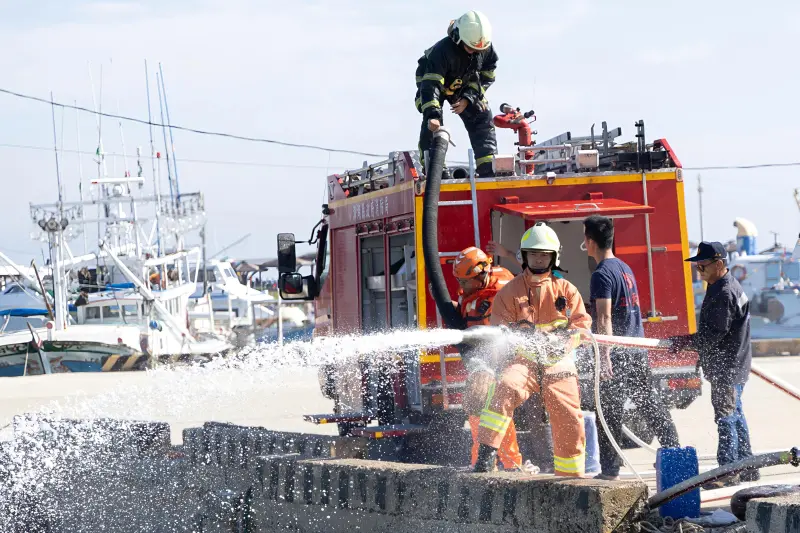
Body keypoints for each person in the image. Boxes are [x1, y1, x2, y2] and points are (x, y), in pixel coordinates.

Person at [475, 222, 591, 476]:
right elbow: (499, 330)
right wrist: (513, 337)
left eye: (544, 254)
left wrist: (565, 340)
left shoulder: (567, 290)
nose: (539, 259)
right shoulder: (509, 292)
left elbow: (582, 327)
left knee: (569, 415)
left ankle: (571, 476)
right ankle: (486, 455)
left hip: (558, 361)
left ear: (554, 257)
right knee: (504, 387)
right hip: (524, 360)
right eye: (534, 254)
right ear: (524, 256)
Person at [583, 215, 680, 480]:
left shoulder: (601, 275)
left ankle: (610, 470)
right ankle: (675, 452)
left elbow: (604, 318)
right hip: (636, 350)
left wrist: (605, 356)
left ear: (590, 242)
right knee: (650, 404)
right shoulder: (624, 268)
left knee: (607, 412)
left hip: (618, 353)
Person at [670, 241, 758, 489]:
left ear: (719, 264)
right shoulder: (722, 285)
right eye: (697, 267)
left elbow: (713, 335)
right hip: (735, 363)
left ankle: (728, 470)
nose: (700, 272)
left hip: (727, 367)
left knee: (725, 417)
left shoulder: (723, 293)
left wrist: (685, 343)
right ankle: (748, 466)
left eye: (702, 267)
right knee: (736, 414)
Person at [451, 246, 522, 471]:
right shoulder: (472, 293)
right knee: (476, 406)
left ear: (480, 274)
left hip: (500, 357)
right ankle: (484, 463)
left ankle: (507, 464)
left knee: (492, 408)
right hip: (479, 357)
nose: (461, 287)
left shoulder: (502, 287)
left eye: (464, 282)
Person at [415, 10, 498, 177]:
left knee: (482, 113)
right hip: (431, 82)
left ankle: (487, 165)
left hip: (464, 82)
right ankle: (435, 166)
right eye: (470, 48)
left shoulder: (485, 49)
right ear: (458, 38)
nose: (474, 52)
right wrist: (433, 114)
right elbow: (431, 85)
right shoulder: (442, 51)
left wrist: (469, 98)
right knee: (432, 122)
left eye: (477, 50)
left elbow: (487, 76)